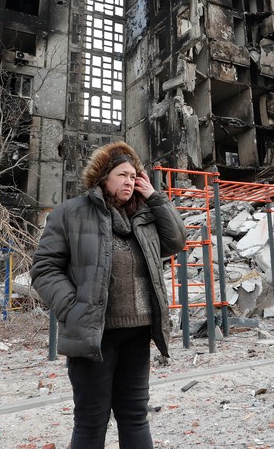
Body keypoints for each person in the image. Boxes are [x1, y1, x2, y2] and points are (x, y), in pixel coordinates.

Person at [31, 141, 187, 449]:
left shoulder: (143, 217)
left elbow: (177, 240)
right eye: (122, 174)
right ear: (103, 176)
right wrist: (73, 308)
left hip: (138, 334)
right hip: (94, 336)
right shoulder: (70, 213)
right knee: (91, 420)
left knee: (134, 416)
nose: (129, 181)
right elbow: (44, 269)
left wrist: (154, 197)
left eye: (134, 175)